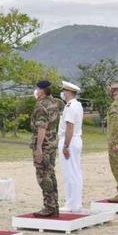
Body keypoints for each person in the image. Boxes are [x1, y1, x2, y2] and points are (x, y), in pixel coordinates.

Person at [30, 80, 61, 217]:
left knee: (44, 176)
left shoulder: (41, 106)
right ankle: (54, 205)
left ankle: (49, 206)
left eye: (37, 89)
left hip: (44, 145)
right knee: (50, 174)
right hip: (52, 143)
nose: (36, 91)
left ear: (41, 91)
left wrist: (38, 148)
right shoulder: (54, 103)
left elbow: (41, 127)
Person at [58, 81, 84, 212]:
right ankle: (76, 202)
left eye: (63, 91)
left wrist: (66, 146)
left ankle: (71, 204)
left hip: (70, 141)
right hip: (76, 140)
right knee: (76, 172)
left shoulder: (70, 106)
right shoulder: (77, 105)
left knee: (70, 173)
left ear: (68, 92)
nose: (62, 93)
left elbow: (69, 127)